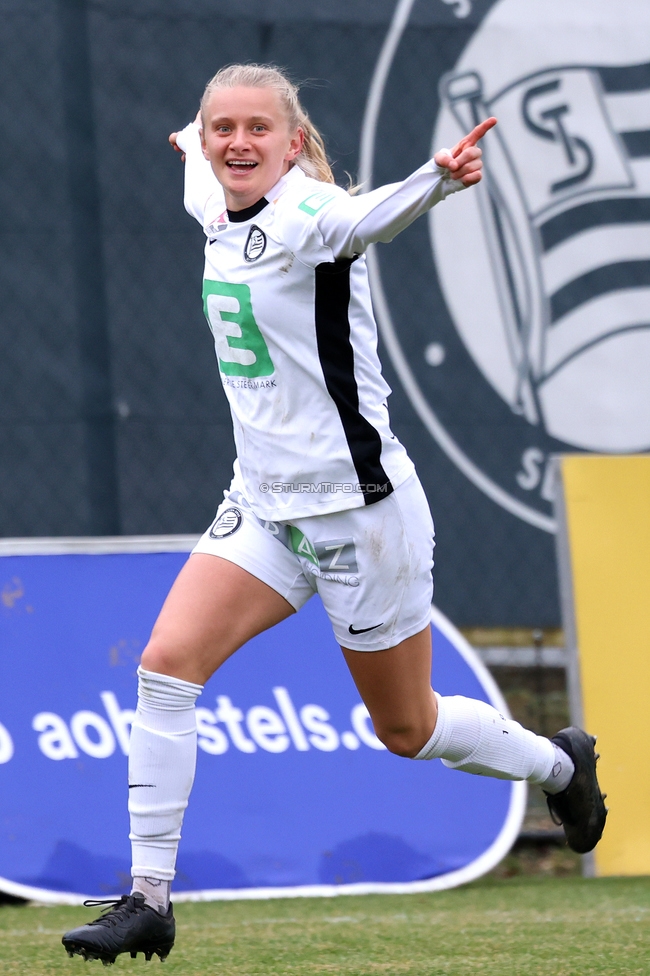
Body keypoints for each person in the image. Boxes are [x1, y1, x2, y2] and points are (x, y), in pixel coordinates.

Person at [62, 63, 607, 965]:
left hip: (361, 519)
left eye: (256, 130)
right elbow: (202, 172)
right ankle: (148, 898)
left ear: (293, 143)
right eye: (221, 128)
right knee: (165, 668)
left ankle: (560, 764)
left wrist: (435, 179)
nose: (237, 144)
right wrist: (189, 148)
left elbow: (369, 216)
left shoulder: (311, 215)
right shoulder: (212, 194)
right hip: (265, 510)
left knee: (409, 730)